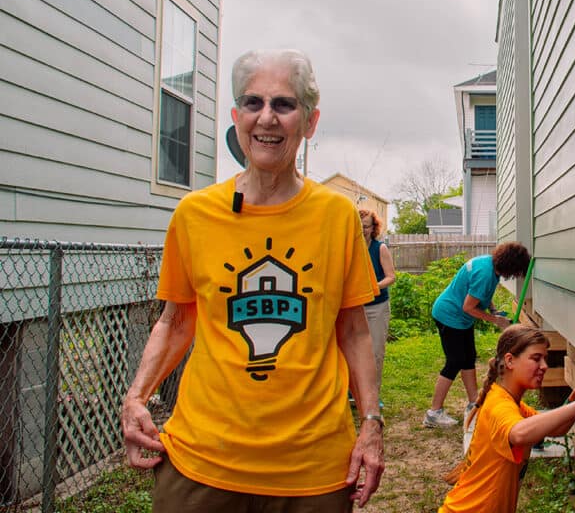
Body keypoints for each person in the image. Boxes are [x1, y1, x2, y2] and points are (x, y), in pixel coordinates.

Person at [120, 49, 385, 512]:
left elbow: (354, 328)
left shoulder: (337, 216)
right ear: (236, 116)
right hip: (202, 464)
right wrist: (136, 396)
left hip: (313, 471)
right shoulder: (194, 214)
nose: (267, 118)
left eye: (284, 104)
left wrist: (371, 423)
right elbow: (176, 320)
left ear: (310, 121)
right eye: (253, 103)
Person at [439, 324, 575, 512]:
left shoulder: (510, 401)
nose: (544, 366)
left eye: (545, 359)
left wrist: (574, 398)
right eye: (536, 359)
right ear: (510, 361)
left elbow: (555, 428)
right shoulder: (499, 405)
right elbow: (518, 434)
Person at [424, 242, 531, 428]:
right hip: (450, 316)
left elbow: (482, 294)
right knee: (455, 361)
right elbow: (468, 307)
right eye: (516, 271)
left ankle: (474, 401)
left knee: (468, 358)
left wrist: (493, 309)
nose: (514, 275)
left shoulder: (489, 264)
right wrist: (495, 320)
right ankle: (434, 413)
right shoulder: (485, 274)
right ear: (510, 265)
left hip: (460, 318)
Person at [359, 209, 396, 402]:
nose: (363, 230)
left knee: (375, 352)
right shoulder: (351, 247)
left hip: (376, 307)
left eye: (366, 226)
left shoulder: (380, 248)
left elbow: (391, 277)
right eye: (359, 226)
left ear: (374, 228)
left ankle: (373, 395)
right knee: (355, 351)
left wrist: (372, 287)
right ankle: (354, 393)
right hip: (355, 307)